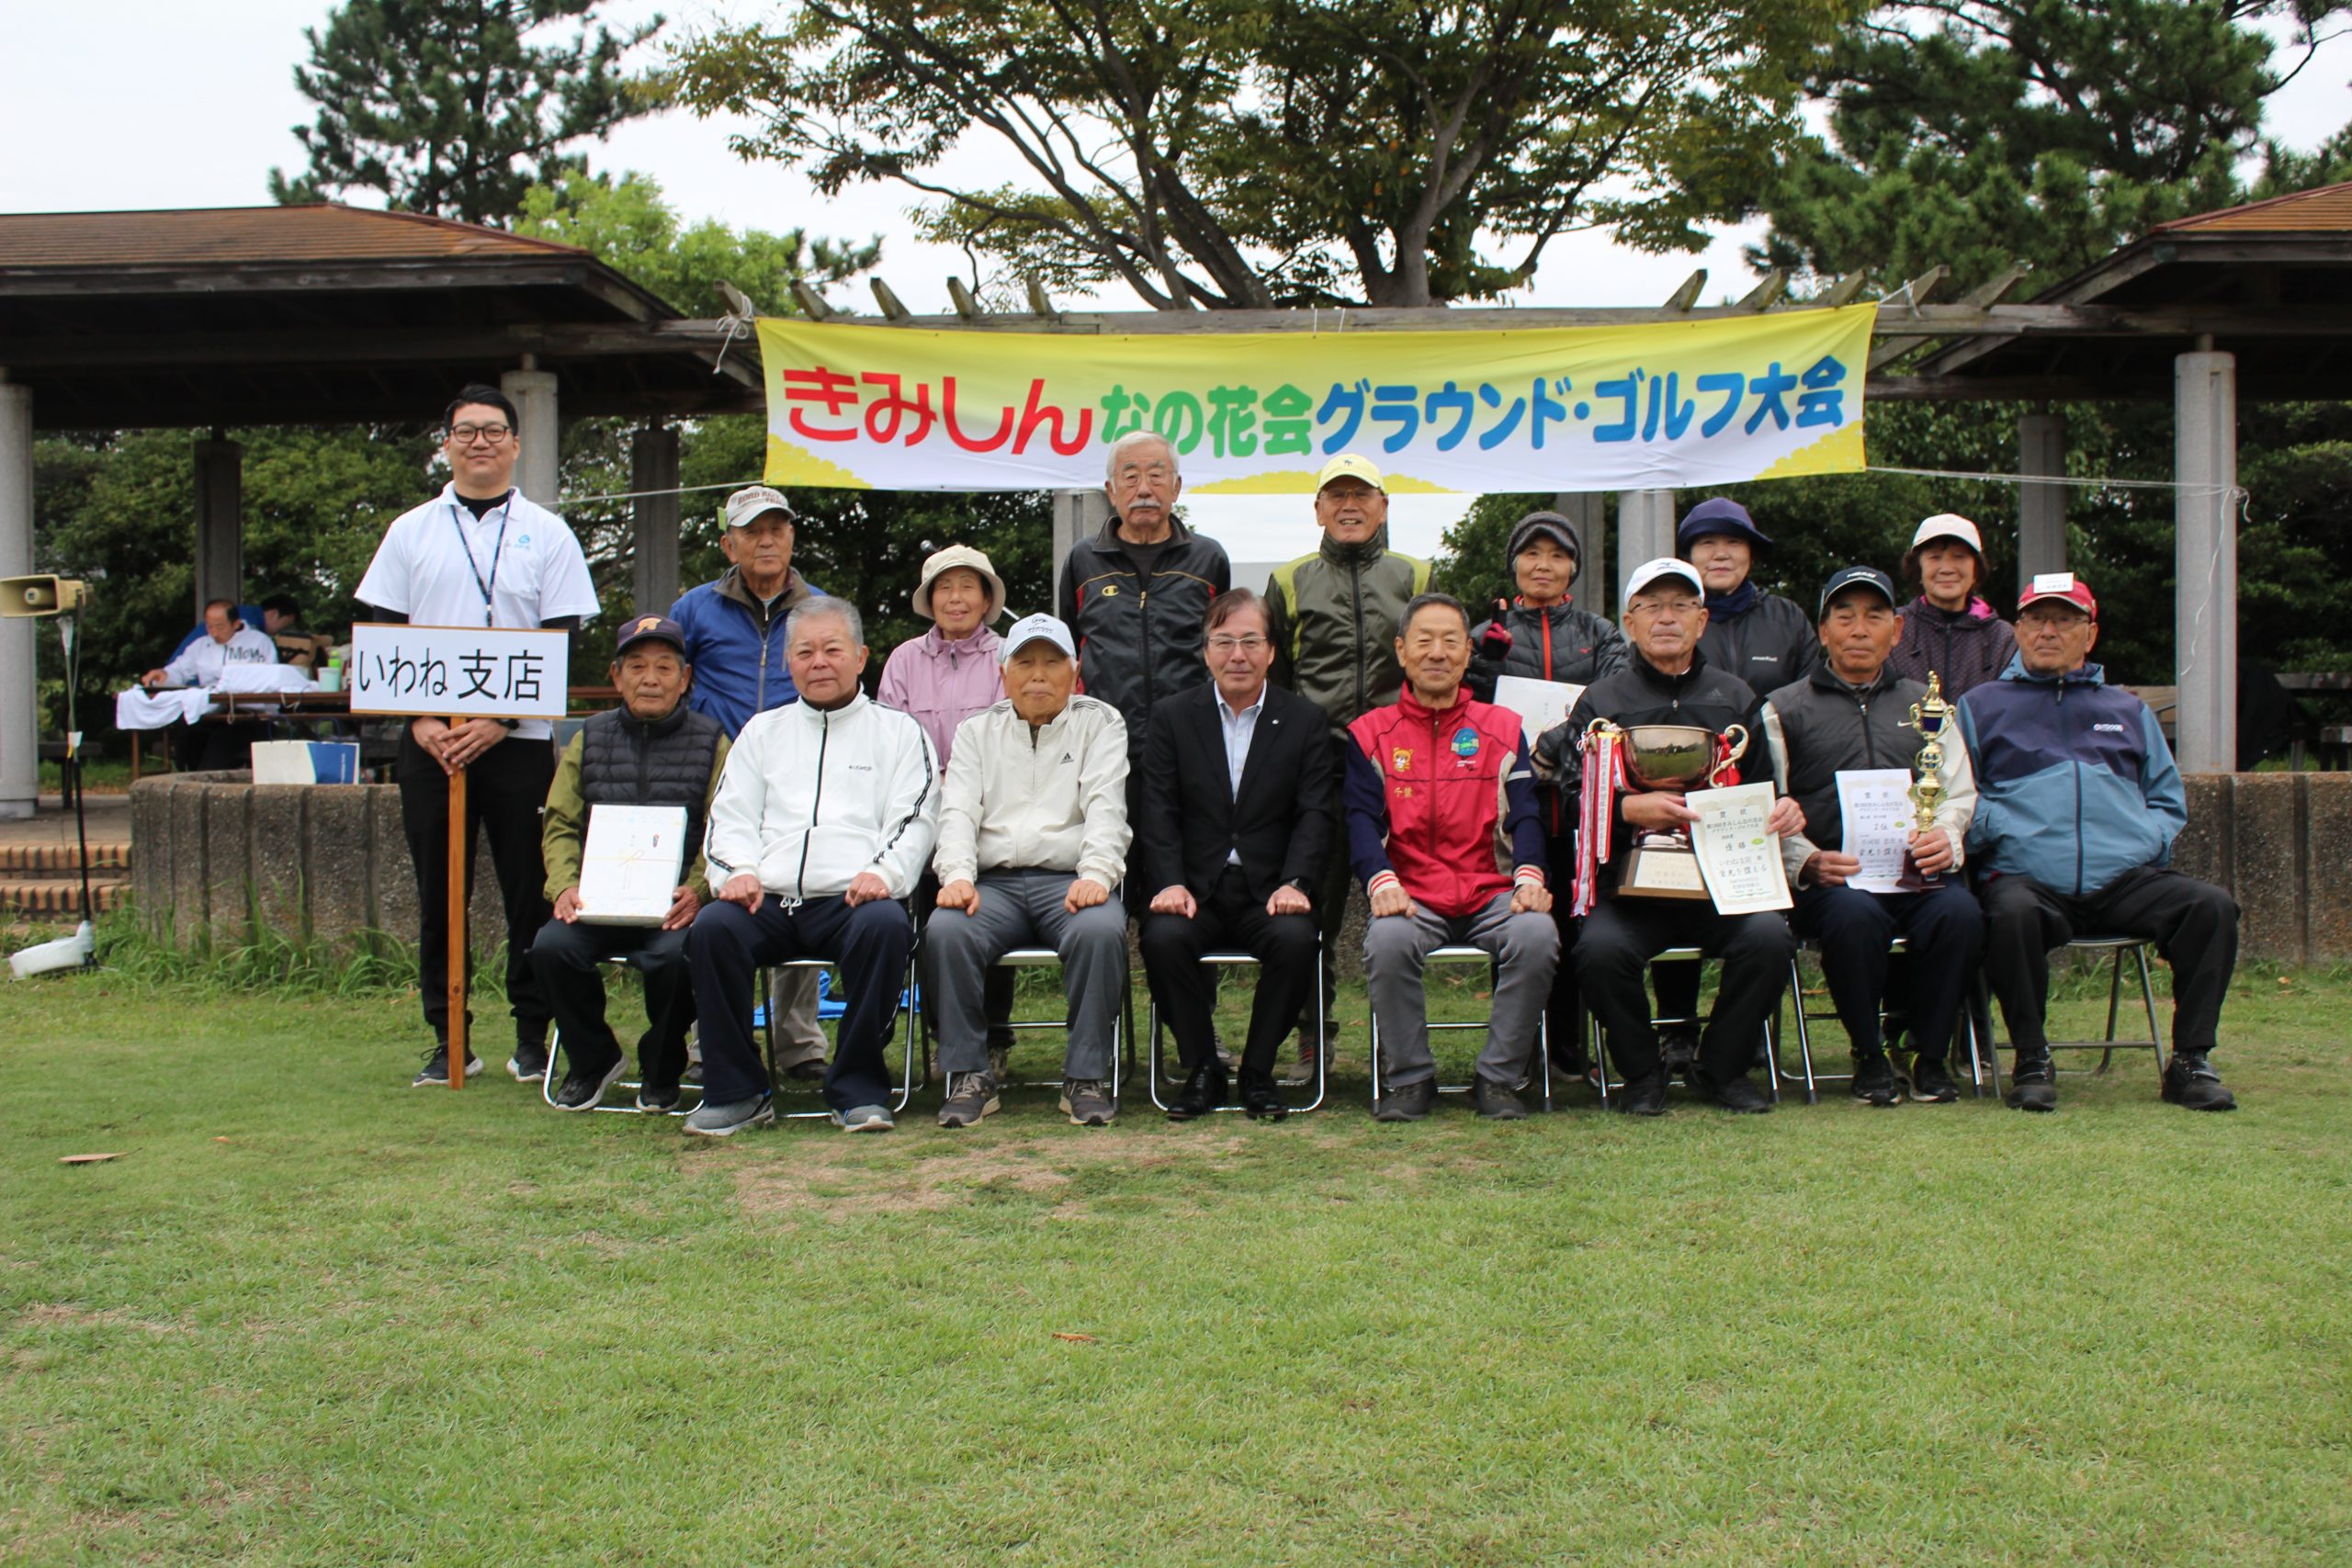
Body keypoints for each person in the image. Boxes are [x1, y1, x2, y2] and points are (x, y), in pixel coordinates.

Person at [356, 384, 600, 1089]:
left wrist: (500, 719)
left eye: (495, 431)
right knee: (440, 890)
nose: (481, 442)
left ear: (515, 444)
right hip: (430, 740)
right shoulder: (410, 530)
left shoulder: (548, 532)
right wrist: (423, 720)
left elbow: (562, 634)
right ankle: (449, 1036)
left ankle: (532, 1033)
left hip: (517, 741)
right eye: (467, 431)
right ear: (447, 441)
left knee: (530, 889)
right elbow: (384, 631)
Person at [1957, 572, 2240, 1113]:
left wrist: (2143, 840)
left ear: (2091, 634)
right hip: (2028, 877)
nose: (2048, 631)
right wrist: (2006, 828)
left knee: (2212, 906)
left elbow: (2166, 799)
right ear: (2016, 631)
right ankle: (2032, 1056)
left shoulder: (2129, 710)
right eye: (2037, 619)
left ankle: (2190, 1061)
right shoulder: (1978, 706)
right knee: (2010, 912)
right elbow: (1955, 793)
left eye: (2065, 620)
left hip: (2126, 879)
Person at [1547, 558, 1802, 1116]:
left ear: (1703, 619)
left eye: (1681, 606)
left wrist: (1783, 810)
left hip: (1721, 881)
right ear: (1629, 623)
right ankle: (1641, 1073)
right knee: (1599, 950)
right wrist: (1625, 807)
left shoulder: (1739, 699)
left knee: (1769, 940)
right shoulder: (1599, 702)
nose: (1667, 618)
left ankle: (1722, 1065)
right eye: (1652, 607)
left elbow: (1766, 788)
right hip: (1631, 883)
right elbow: (1568, 798)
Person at [683, 599, 937, 1136]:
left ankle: (859, 1088)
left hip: (851, 898)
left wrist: (883, 876)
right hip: (767, 899)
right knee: (713, 929)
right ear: (788, 663)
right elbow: (728, 817)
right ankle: (737, 1091)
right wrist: (737, 873)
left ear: (861, 656)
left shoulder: (898, 732)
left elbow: (915, 819)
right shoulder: (761, 732)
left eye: (832, 649)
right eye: (805, 651)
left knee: (887, 926)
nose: (819, 661)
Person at [1762, 567, 1983, 1106]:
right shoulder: (1782, 709)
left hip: (1917, 875)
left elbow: (1957, 792)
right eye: (1845, 616)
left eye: (1874, 616)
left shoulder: (1929, 707)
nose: (1860, 629)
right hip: (1832, 884)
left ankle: (1928, 1055)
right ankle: (1869, 1055)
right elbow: (1768, 805)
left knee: (1962, 915)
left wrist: (1947, 841)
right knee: (1853, 917)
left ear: (1898, 630)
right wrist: (1807, 861)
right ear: (1823, 631)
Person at [1347, 593, 1558, 1122]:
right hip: (1413, 894)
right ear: (1401, 651)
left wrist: (1529, 876)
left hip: (1491, 890)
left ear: (1468, 653)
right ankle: (1410, 1079)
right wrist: (1380, 881)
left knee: (1537, 935)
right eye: (1423, 641)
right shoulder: (1370, 733)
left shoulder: (1503, 726)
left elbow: (1526, 814)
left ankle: (1500, 1079)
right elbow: (1359, 821)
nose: (1436, 653)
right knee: (1389, 942)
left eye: (1450, 642)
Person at [1263, 452, 1431, 1080]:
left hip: (1406, 761)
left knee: (1413, 900)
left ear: (1384, 505)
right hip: (1323, 762)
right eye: (1336, 495)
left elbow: (1437, 656)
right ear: (1318, 509)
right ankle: (1316, 1038)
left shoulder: (1415, 572)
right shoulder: (1288, 579)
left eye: (1362, 494)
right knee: (1316, 908)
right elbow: (1276, 683)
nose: (1349, 505)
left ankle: (1402, 1044)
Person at [927, 614, 1132, 1129]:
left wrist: (1098, 874)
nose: (1038, 675)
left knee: (1101, 928)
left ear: (1074, 670)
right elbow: (957, 813)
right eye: (1025, 663)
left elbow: (1107, 809)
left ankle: (1085, 1076)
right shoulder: (976, 731)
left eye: (1051, 662)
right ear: (1003, 672)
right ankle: (969, 1074)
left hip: (1070, 881)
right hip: (992, 885)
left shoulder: (1101, 722)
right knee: (946, 930)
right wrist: (956, 876)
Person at [1137, 589, 1333, 1122]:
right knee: (1161, 937)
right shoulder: (1174, 717)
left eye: (1250, 641)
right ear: (1205, 651)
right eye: (1224, 642)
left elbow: (1316, 813)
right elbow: (1157, 809)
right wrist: (1169, 881)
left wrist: (1297, 882)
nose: (1238, 655)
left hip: (1269, 890)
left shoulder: (1304, 721)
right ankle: (1203, 1068)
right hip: (1195, 887)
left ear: (1272, 651)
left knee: (1297, 940)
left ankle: (1257, 1073)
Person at [532, 615, 729, 1112]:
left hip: (672, 905)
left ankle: (662, 1067)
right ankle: (593, 1058)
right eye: (637, 666)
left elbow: (725, 824)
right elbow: (559, 821)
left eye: (665, 667)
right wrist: (563, 885)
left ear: (685, 678)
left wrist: (698, 889)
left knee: (674, 958)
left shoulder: (712, 741)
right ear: (616, 676)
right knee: (551, 947)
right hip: (597, 898)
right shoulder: (588, 738)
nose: (651, 678)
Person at [669, 484, 831, 1082]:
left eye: (778, 528)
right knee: (718, 905)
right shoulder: (693, 609)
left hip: (800, 773)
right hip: (718, 774)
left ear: (792, 536)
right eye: (752, 530)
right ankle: (707, 1041)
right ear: (727, 542)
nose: (766, 539)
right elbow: (671, 679)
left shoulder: (820, 607)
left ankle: (799, 1043)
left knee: (801, 890)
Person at [1649, 496, 1819, 1066]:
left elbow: (1809, 696)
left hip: (1758, 790)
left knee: (1758, 916)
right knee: (1671, 896)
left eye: (1734, 542)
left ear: (1751, 553)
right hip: (1674, 792)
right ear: (1689, 555)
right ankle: (1677, 1032)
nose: (1720, 553)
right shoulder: (1666, 619)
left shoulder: (1787, 618)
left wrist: (1781, 789)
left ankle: (1741, 1038)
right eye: (1706, 543)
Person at [1465, 510, 1631, 1080]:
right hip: (1511, 808)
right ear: (1514, 563)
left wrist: (1555, 743)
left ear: (1574, 568)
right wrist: (1483, 663)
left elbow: (1616, 696)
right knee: (1519, 923)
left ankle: (1568, 1049)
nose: (1544, 565)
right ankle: (1519, 1051)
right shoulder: (1487, 632)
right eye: (1532, 554)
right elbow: (1462, 702)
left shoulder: (1599, 633)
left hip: (1583, 805)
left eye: (1557, 555)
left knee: (1577, 923)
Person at [1056, 430, 1230, 908]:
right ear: (1111, 491)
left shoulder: (1208, 559)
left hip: (1189, 749)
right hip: (1106, 751)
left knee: (1184, 888)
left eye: (1157, 475)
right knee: (1106, 888)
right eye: (1130, 477)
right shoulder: (1083, 561)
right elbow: (1069, 653)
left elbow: (1223, 648)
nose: (1145, 488)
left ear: (1177, 487)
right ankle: (1111, 984)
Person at [876, 544, 1018, 1075]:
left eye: (967, 587)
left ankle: (995, 1036)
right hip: (921, 813)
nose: (955, 598)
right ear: (929, 599)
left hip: (996, 813)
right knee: (934, 924)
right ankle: (946, 1034)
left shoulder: (1012, 655)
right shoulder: (904, 660)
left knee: (990, 912)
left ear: (986, 599)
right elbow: (889, 740)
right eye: (944, 587)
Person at [139, 598, 280, 772]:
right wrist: (164, 676)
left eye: (219, 626)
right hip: (211, 712)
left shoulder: (260, 643)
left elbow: (272, 679)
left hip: (252, 716)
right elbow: (180, 670)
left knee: (222, 739)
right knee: (186, 731)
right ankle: (187, 776)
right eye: (209, 626)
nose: (214, 633)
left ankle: (206, 783)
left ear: (236, 624)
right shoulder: (201, 645)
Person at [1889, 514, 2011, 699]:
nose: (1946, 568)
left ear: (1976, 569)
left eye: (1959, 557)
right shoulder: (1893, 628)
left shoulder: (2003, 638)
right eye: (1934, 557)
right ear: (1918, 569)